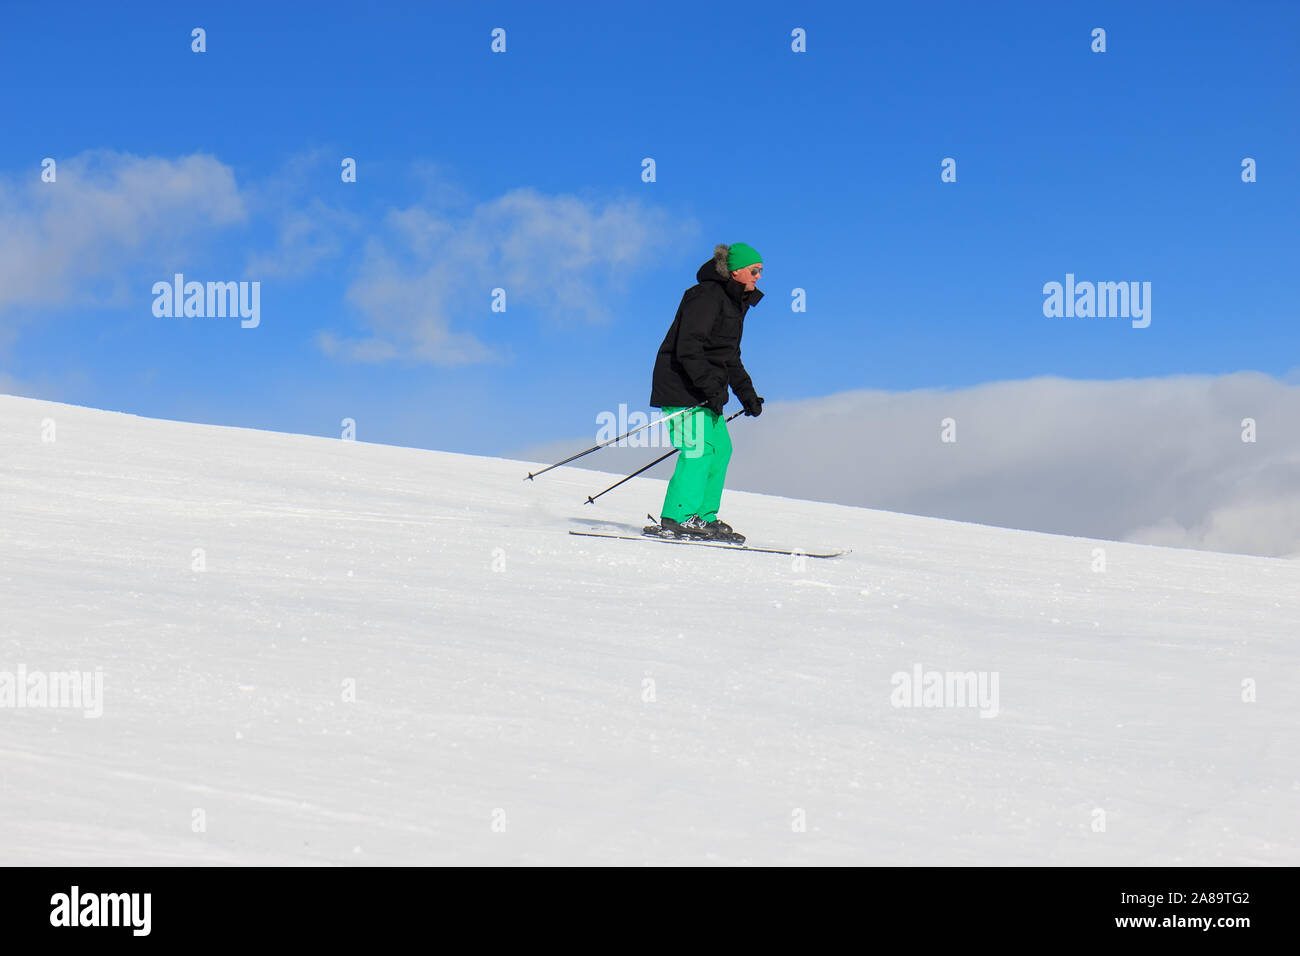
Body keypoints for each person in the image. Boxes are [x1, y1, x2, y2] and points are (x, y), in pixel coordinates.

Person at [647, 243, 766, 543]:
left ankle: (703, 516)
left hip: (706, 392)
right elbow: (689, 347)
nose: (758, 277)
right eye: (754, 271)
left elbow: (729, 356)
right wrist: (711, 388)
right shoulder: (705, 296)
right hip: (682, 387)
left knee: (720, 450)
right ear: (735, 270)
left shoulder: (735, 303)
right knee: (699, 451)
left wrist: (746, 395)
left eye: (760, 272)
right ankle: (678, 517)